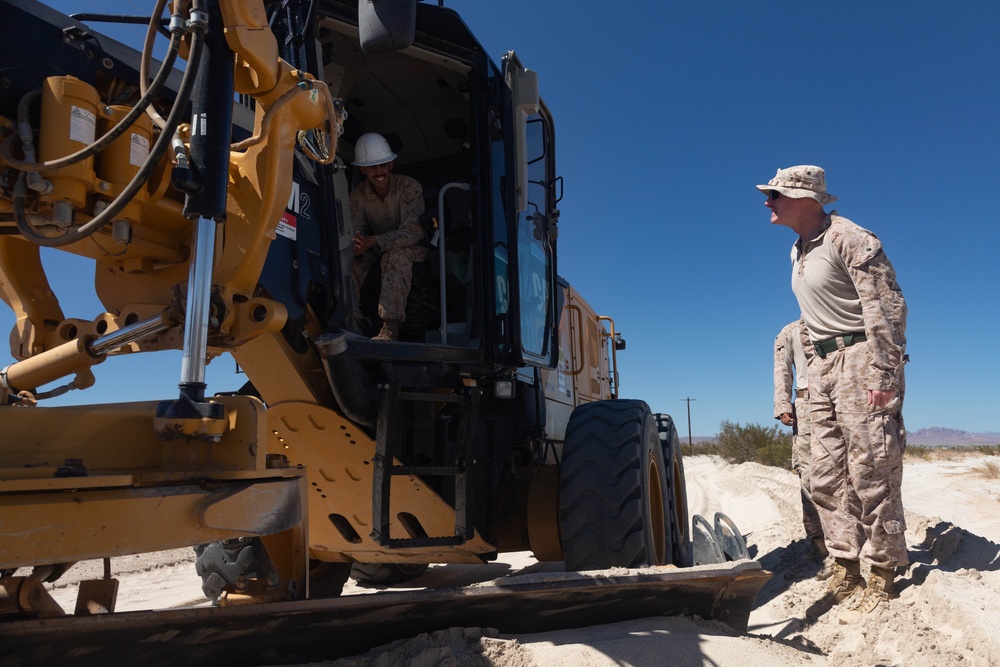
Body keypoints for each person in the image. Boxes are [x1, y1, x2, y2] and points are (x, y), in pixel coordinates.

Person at [758, 165, 908, 624]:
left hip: (860, 358)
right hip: (819, 369)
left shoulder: (851, 238)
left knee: (871, 470)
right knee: (822, 475)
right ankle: (845, 565)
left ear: (805, 198)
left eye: (775, 195)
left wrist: (885, 375)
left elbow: (886, 307)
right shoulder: (797, 250)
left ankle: (882, 571)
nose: (768, 203)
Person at [349, 132, 428, 341]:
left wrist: (374, 241)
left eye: (383, 165)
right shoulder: (358, 195)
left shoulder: (409, 187)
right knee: (347, 263)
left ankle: (390, 327)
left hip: (413, 250)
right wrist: (356, 245)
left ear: (391, 165)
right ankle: (352, 324)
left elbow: (414, 232)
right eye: (373, 167)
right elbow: (354, 231)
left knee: (395, 256)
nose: (379, 171)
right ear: (362, 169)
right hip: (374, 251)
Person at [773, 319, 827, 560]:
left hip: (843, 401)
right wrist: (783, 404)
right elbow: (782, 369)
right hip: (807, 405)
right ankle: (818, 540)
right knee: (809, 475)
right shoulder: (791, 331)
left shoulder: (839, 319)